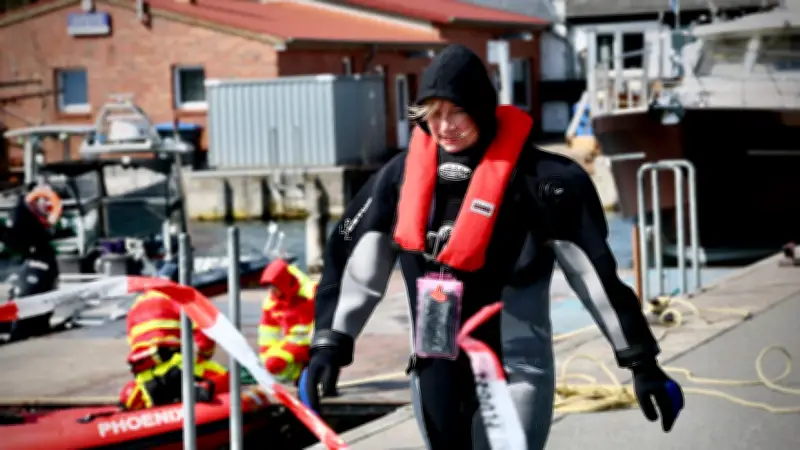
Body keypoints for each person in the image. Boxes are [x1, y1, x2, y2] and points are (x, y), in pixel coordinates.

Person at [301, 44, 684, 449]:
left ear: (482, 109)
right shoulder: (396, 179)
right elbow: (352, 266)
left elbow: (596, 280)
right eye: (433, 114)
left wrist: (642, 363)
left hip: (516, 371)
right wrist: (329, 344)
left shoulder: (545, 182)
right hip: (435, 370)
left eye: (456, 112)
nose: (444, 126)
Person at [119, 289, 230, 411]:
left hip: (145, 376)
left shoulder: (133, 309)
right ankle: (200, 390)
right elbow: (204, 336)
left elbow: (134, 344)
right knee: (229, 377)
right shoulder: (175, 298)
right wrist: (204, 356)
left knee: (135, 393)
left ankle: (128, 406)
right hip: (176, 366)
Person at [258, 258, 317, 384]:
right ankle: (302, 376)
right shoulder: (271, 303)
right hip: (294, 344)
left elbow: (327, 316)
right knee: (270, 364)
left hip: (315, 343)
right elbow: (267, 334)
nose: (271, 290)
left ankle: (312, 374)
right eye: (269, 286)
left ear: (283, 282)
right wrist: (265, 356)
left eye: (274, 286)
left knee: (274, 362)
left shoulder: (311, 292)